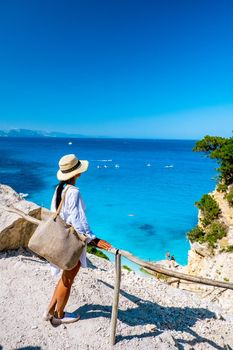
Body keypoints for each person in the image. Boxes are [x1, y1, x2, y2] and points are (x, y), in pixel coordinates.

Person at [43, 154, 111, 325]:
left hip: (60, 238)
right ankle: (58, 315)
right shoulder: (74, 192)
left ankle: (49, 310)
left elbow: (56, 213)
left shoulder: (60, 189)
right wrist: (94, 240)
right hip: (72, 242)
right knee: (68, 280)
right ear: (77, 173)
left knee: (64, 277)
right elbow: (79, 221)